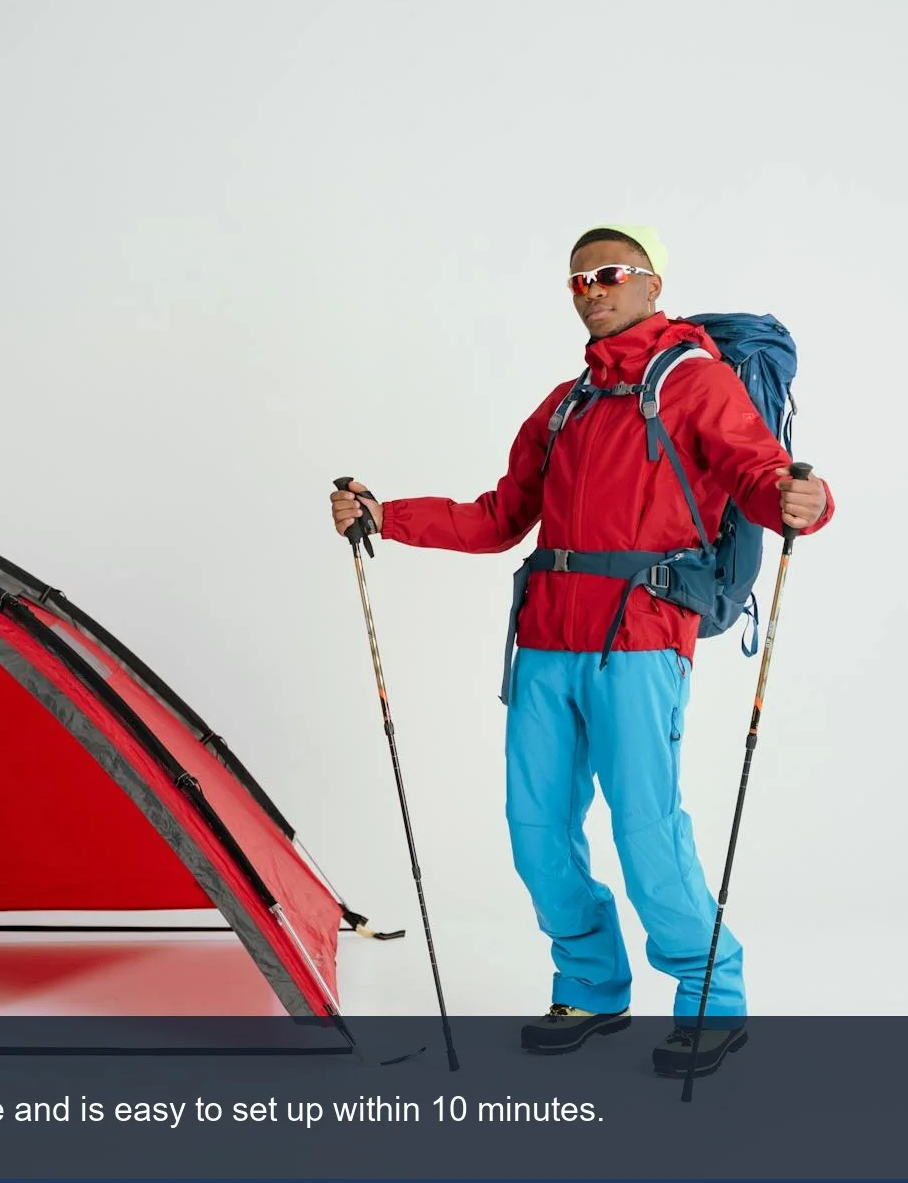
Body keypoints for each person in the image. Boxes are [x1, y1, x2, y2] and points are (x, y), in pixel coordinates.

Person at [329, 223, 833, 1078]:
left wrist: (804, 501)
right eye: (576, 281)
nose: (591, 289)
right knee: (535, 831)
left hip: (642, 637)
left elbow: (759, 475)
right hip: (547, 642)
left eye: (608, 273)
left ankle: (711, 993)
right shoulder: (563, 404)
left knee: (645, 828)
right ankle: (593, 985)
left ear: (649, 284)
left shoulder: (696, 381)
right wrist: (388, 513)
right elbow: (497, 517)